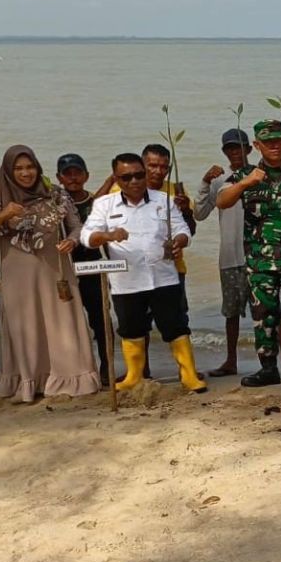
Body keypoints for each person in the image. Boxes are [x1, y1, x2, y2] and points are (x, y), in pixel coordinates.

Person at [0, 146, 100, 402]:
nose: (25, 173)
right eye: (18, 168)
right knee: (27, 325)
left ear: (38, 167)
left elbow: (77, 228)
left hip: (56, 270)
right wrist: (1, 217)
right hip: (18, 275)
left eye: (30, 167)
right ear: (8, 171)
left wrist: (73, 242)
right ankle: (29, 381)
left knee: (61, 322)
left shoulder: (55, 194)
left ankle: (71, 378)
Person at [81, 153, 206, 393]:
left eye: (139, 175)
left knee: (176, 326)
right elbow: (87, 237)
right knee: (131, 329)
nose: (134, 181)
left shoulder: (164, 200)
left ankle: (189, 375)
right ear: (117, 178)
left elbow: (183, 230)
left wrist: (180, 241)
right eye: (127, 177)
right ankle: (134, 376)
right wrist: (107, 236)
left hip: (164, 277)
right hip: (127, 280)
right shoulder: (104, 204)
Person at [216, 119, 281, 391]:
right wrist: (245, 183)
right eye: (268, 142)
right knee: (263, 317)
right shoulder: (247, 175)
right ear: (257, 145)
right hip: (259, 262)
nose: (274, 146)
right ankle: (268, 369)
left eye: (278, 140)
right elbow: (222, 202)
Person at [194, 128, 281, 378]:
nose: (235, 152)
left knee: (272, 310)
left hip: (262, 256)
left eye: (240, 148)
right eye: (230, 148)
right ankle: (231, 361)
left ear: (250, 149)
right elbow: (199, 213)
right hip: (230, 256)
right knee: (231, 312)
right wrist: (205, 181)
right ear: (224, 152)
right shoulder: (221, 180)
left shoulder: (260, 175)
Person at [55, 153, 110, 384]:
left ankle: (106, 368)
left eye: (78, 173)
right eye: (68, 174)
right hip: (65, 269)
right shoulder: (55, 204)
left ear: (87, 175)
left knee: (101, 321)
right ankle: (76, 370)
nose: (74, 178)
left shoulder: (98, 203)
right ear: (59, 178)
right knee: (68, 322)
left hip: (93, 266)